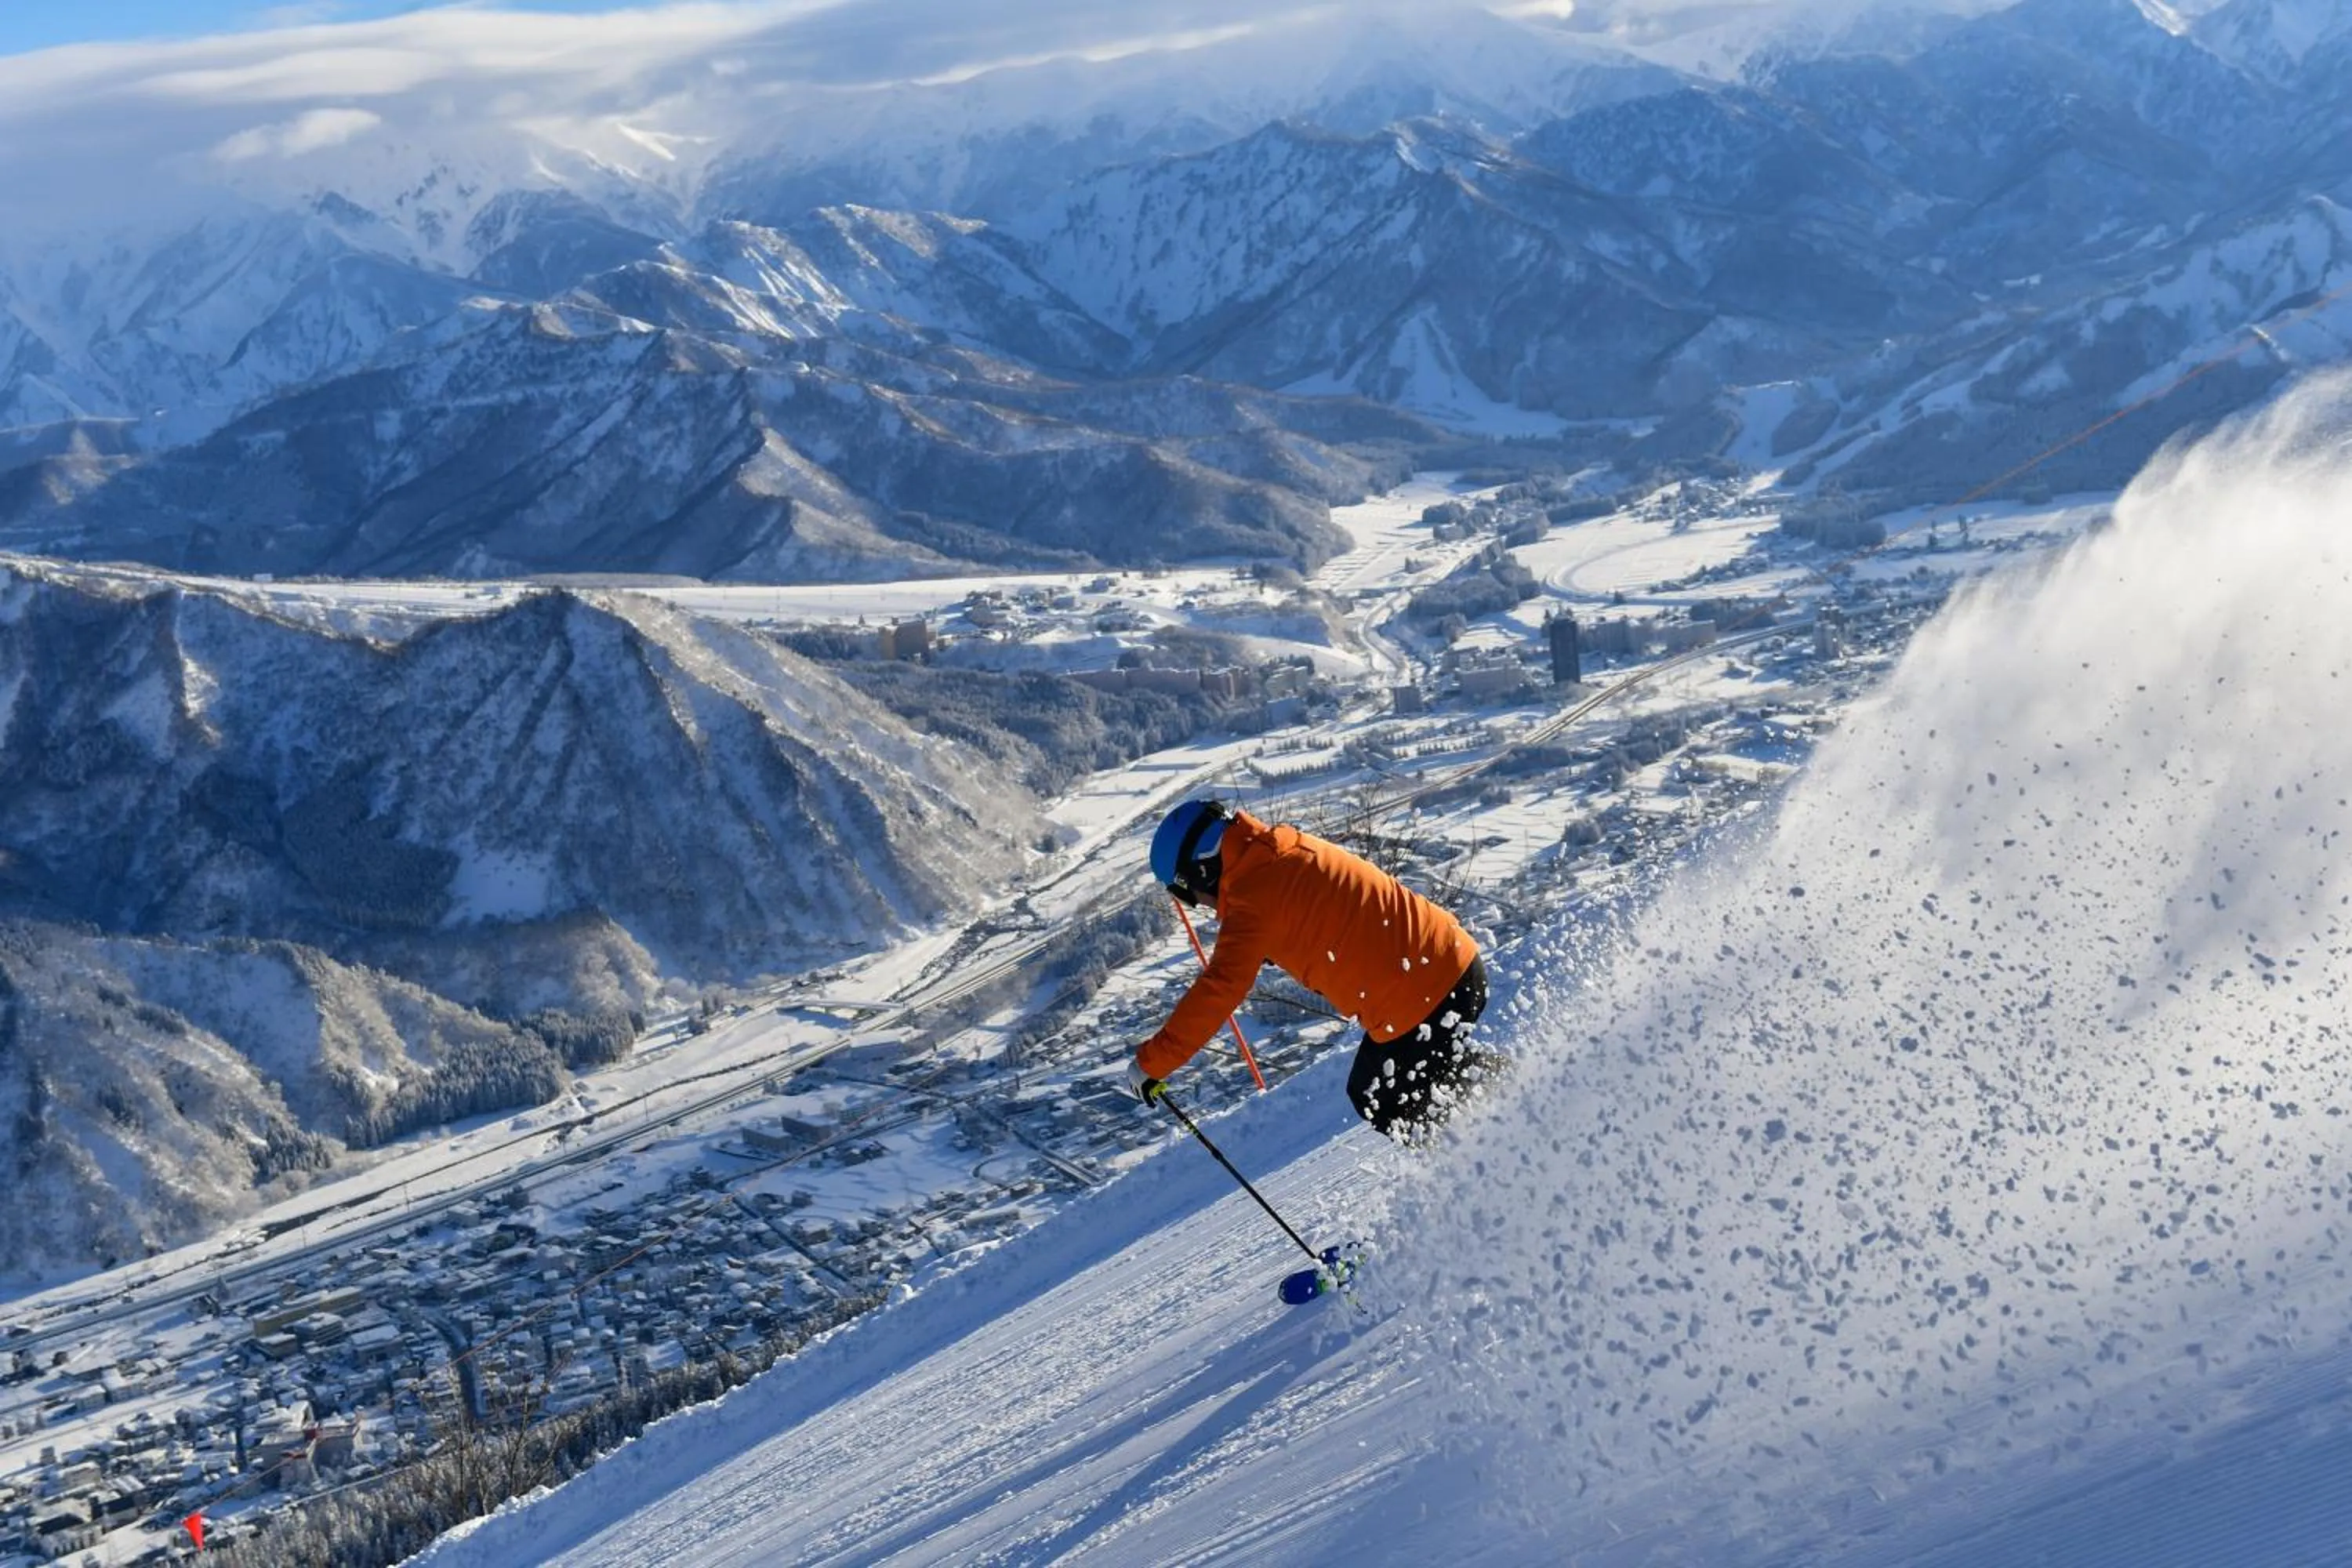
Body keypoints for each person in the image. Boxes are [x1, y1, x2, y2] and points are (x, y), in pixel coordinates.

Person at [1126, 799, 1490, 1138]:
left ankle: (1481, 1163)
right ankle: (1517, 1105)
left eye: (1189, 896)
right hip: (1455, 962)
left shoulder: (1251, 900)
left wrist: (1152, 1063)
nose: (1201, 906)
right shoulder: (1282, 845)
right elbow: (1318, 907)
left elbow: (1218, 989)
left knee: (1377, 1095)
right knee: (1438, 1078)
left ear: (1201, 872)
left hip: (1422, 997)